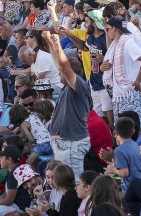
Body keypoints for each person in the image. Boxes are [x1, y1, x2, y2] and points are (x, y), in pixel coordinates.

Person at [45, 30, 92, 179]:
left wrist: (58, 44)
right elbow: (60, 64)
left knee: (74, 186)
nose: (59, 74)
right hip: (63, 144)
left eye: (61, 73)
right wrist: (49, 41)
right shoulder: (67, 87)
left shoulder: (80, 86)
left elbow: (64, 67)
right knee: (63, 186)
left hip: (72, 145)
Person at [102, 15, 141, 115]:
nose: (107, 32)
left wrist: (137, 82)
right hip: (119, 94)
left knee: (131, 128)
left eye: (108, 29)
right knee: (121, 128)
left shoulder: (127, 43)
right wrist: (102, 67)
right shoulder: (116, 43)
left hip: (129, 93)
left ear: (114, 29)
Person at [106, 117, 141, 192]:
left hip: (133, 190)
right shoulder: (136, 145)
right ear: (133, 131)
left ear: (115, 132)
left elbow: (124, 173)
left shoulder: (119, 150)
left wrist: (113, 169)